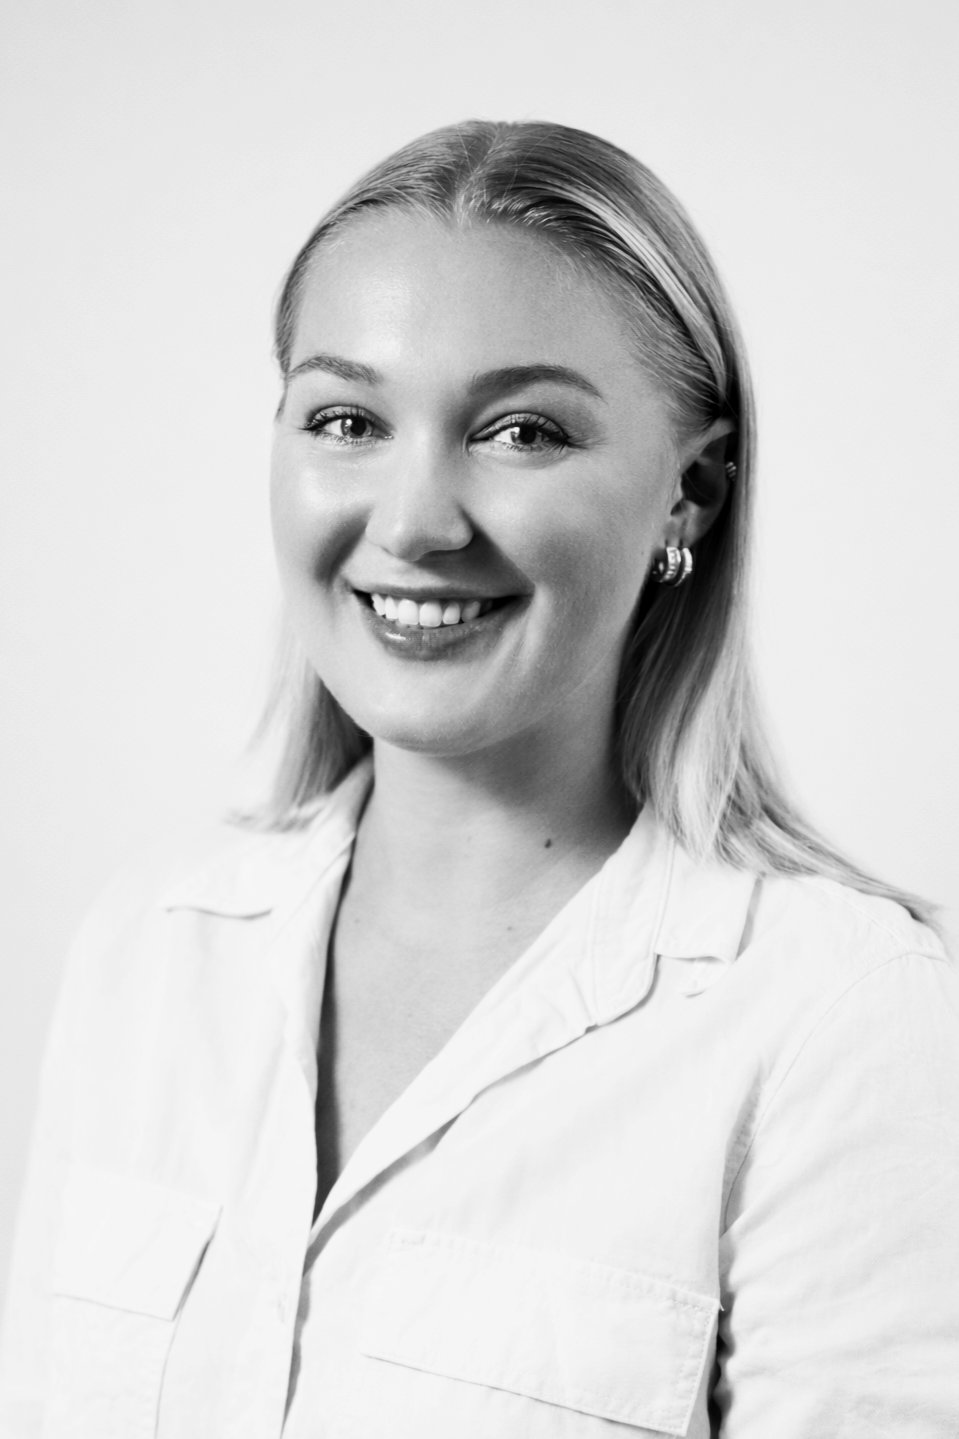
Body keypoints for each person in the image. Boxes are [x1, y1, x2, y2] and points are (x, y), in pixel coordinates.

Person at [1, 119, 956, 1439]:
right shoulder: (152, 943)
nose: (411, 522)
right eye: (347, 417)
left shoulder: (839, 1017)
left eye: (520, 431)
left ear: (691, 494)